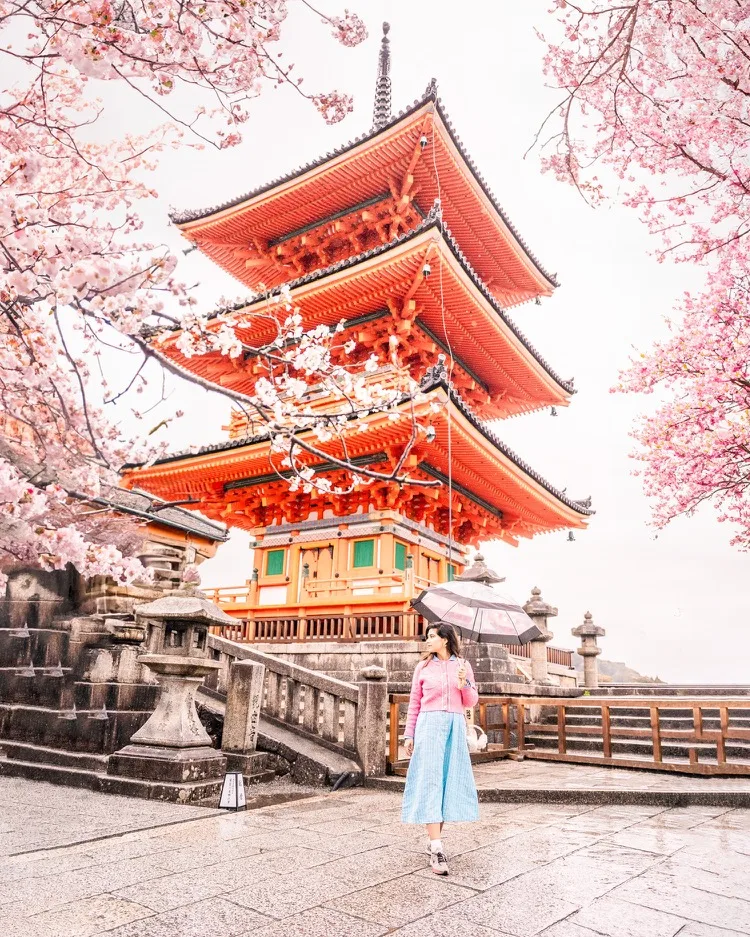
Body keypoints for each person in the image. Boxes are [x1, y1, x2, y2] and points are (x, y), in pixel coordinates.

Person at [400, 621, 479, 875]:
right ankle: (436, 848)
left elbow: (471, 702)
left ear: (445, 639)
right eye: (427, 637)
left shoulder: (463, 666)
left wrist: (464, 683)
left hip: (454, 727)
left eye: (432, 636)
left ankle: (434, 840)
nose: (428, 640)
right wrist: (408, 734)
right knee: (431, 782)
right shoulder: (422, 667)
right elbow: (414, 703)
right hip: (429, 726)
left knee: (447, 783)